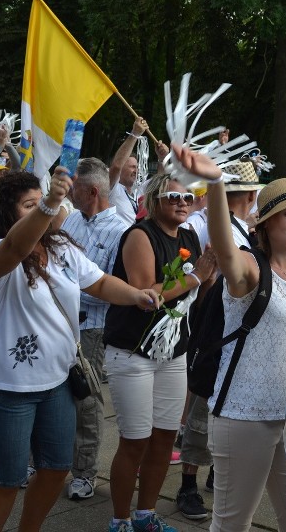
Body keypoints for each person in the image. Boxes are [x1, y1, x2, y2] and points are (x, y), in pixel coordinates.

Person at [0, 169, 160, 532]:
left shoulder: (60, 247)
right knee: (7, 478)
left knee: (55, 468)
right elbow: (16, 247)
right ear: (7, 213)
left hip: (58, 381)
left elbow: (98, 281)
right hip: (9, 387)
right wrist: (51, 203)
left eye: (43, 202)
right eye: (29, 205)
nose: (43, 211)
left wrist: (136, 296)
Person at [173, 144, 286, 532]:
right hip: (243, 416)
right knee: (231, 524)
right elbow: (224, 251)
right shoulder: (250, 267)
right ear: (266, 222)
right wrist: (216, 183)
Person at [104, 173, 216, 532]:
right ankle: (120, 519)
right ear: (154, 200)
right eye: (173, 197)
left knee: (166, 437)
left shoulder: (189, 236)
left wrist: (211, 273)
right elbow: (145, 295)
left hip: (173, 351)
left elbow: (196, 288)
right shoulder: (140, 234)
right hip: (133, 349)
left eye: (188, 197)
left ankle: (145, 514)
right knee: (135, 440)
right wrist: (197, 277)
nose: (183, 203)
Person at [176, 160, 262, 522]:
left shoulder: (244, 230)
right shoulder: (218, 227)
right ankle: (187, 485)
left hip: (236, 331)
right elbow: (205, 278)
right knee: (203, 408)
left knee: (225, 404)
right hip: (214, 330)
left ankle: (209, 475)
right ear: (252, 195)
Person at [60, 158, 129, 501]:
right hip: (59, 322)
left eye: (72, 188)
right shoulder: (72, 219)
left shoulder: (122, 231)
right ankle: (42, 461)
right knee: (52, 394)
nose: (67, 194)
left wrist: (72, 286)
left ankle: (84, 472)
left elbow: (117, 288)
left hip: (92, 328)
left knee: (86, 399)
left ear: (91, 191)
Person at [108, 118, 150, 227]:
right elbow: (116, 166)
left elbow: (160, 181)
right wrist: (135, 134)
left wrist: (162, 159)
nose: (136, 171)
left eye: (137, 167)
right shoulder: (112, 189)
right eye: (132, 167)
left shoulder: (139, 192)